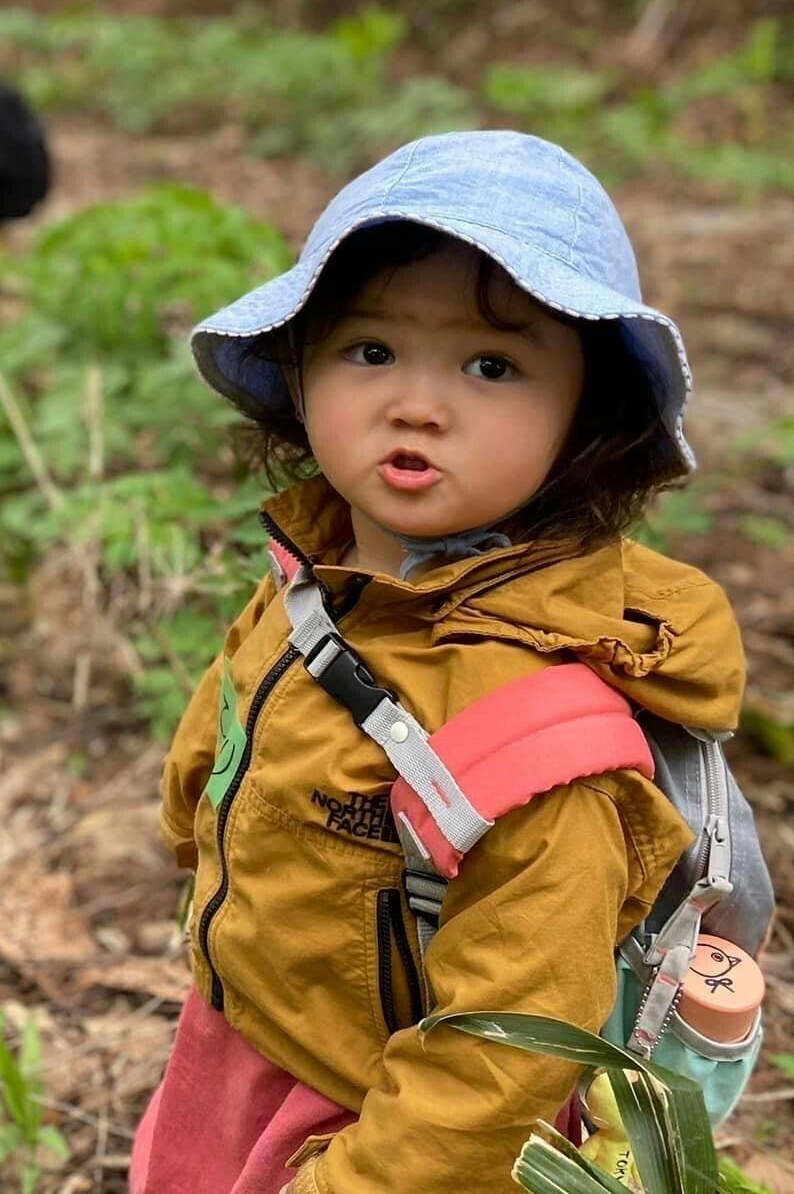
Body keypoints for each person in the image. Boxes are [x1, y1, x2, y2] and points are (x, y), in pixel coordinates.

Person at [135, 132, 746, 1192]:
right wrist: (197, 839)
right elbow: (229, 714)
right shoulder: (320, 570)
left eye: (490, 366)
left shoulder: (542, 738)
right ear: (301, 368)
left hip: (385, 1126)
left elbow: (503, 1055)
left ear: (585, 417)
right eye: (370, 350)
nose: (416, 403)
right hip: (250, 1031)